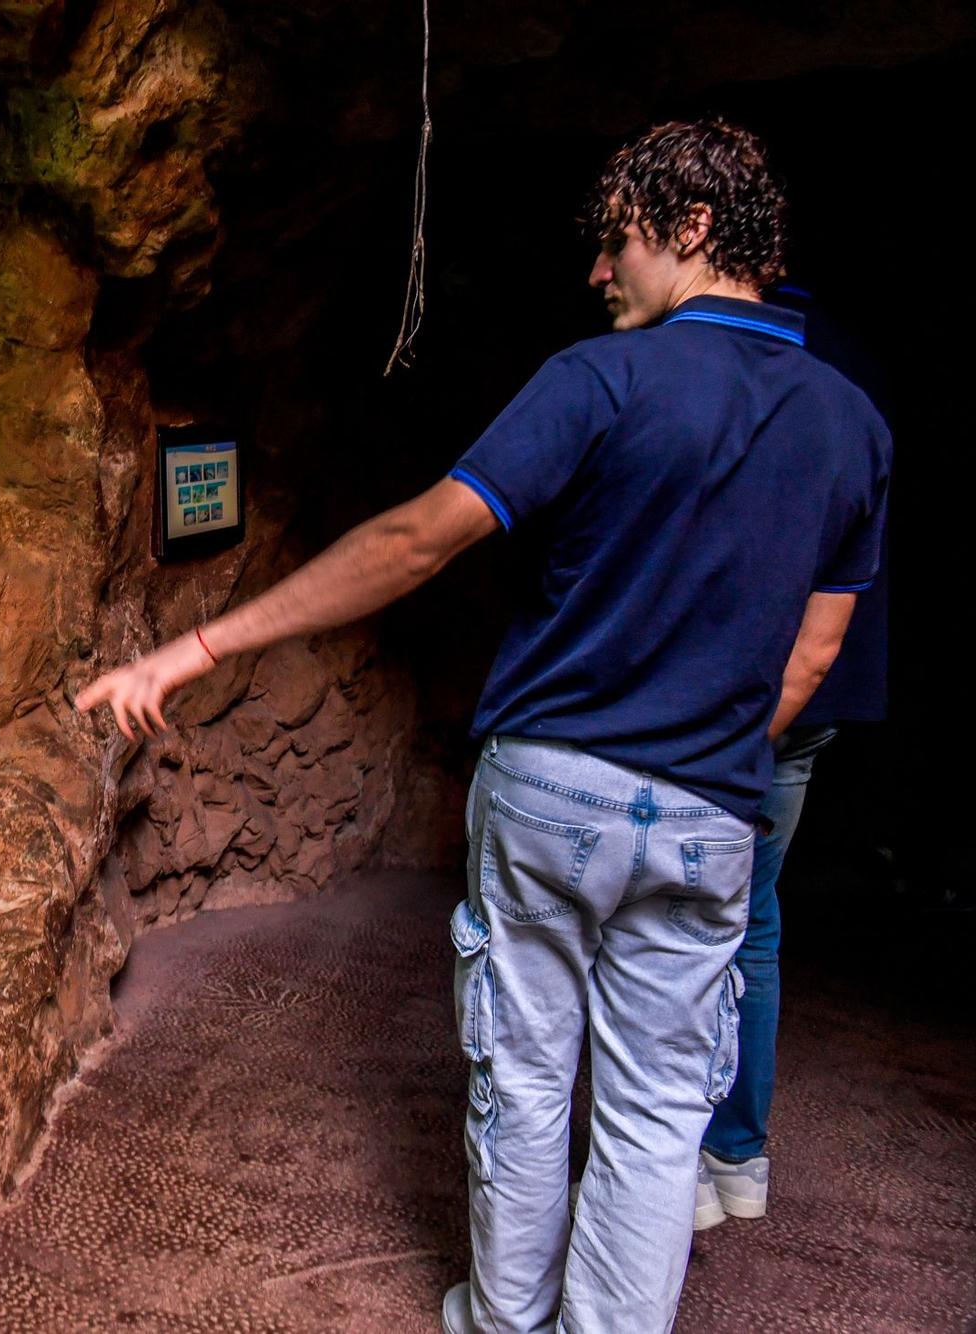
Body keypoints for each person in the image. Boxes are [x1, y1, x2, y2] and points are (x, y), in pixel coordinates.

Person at [75, 119, 891, 1334]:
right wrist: (701, 759)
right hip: (712, 809)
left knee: (522, 1072)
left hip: (551, 789)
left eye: (614, 244)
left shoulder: (595, 379)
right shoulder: (852, 423)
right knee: (659, 1112)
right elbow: (811, 656)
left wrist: (198, 645)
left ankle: (499, 1319)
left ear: (691, 228)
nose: (596, 274)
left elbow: (416, 539)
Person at [695, 283, 893, 1230]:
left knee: (679, 923)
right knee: (752, 920)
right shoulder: (848, 369)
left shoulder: (725, 368)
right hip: (815, 692)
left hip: (735, 698)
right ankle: (738, 1153)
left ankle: (676, 1164)